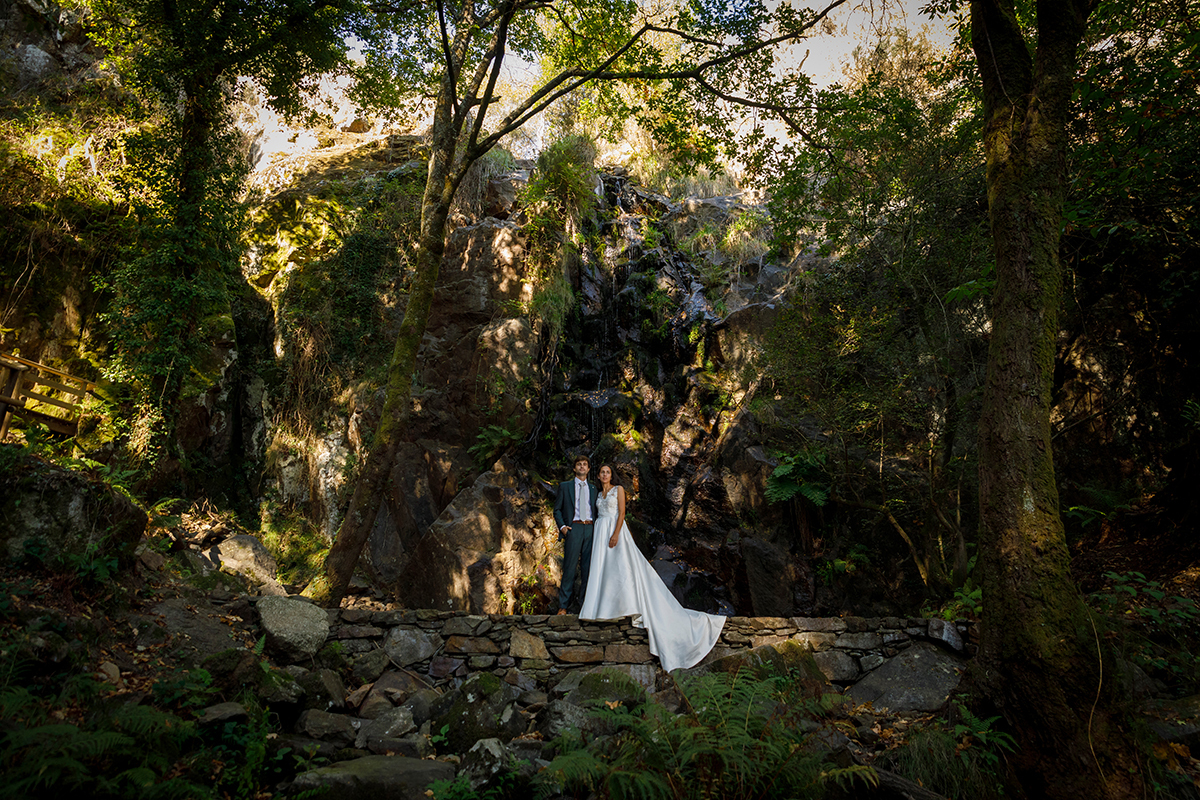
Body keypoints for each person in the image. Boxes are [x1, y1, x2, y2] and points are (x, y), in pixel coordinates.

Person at [579, 465, 726, 671]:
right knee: (606, 570)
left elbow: (621, 513)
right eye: (602, 472)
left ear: (612, 475)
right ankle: (605, 606)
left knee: (623, 569)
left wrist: (615, 533)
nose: (605, 475)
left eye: (608, 472)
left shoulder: (618, 489)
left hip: (614, 530)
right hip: (600, 530)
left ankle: (627, 605)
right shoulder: (598, 493)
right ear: (598, 475)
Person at [552, 454, 599, 615]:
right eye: (579, 464)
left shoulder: (594, 489)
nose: (582, 467)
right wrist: (563, 527)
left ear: (589, 468)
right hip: (574, 528)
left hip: (591, 529)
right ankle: (563, 606)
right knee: (570, 568)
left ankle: (584, 605)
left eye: (585, 464)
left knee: (588, 569)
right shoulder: (565, 486)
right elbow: (557, 509)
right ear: (574, 468)